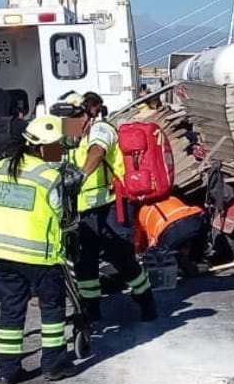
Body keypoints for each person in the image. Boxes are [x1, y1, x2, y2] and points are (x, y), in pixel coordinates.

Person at [0, 116, 76, 384]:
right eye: (56, 146)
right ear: (43, 148)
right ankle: (54, 365)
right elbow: (59, 213)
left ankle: (7, 371)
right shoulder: (49, 176)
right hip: (36, 255)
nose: (59, 151)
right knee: (52, 309)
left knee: (11, 310)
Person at [52, 91, 156, 324]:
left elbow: (97, 152)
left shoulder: (101, 129)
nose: (69, 123)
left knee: (122, 258)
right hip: (80, 211)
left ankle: (145, 298)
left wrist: (80, 176)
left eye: (74, 117)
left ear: (87, 114)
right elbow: (48, 158)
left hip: (109, 206)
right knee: (84, 263)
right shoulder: (68, 137)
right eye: (66, 119)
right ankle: (91, 309)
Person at [135, 195, 209, 267]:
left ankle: (183, 262)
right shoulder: (170, 197)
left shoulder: (142, 212)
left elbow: (145, 243)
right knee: (194, 239)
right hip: (194, 221)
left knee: (162, 256)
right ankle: (198, 259)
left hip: (169, 232)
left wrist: (140, 253)